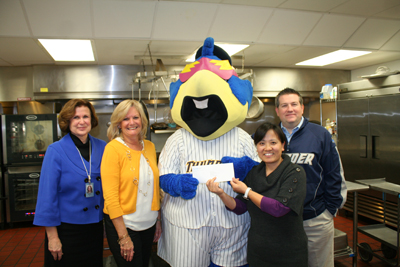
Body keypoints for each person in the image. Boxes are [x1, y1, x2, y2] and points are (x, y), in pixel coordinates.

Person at [206, 122, 308, 267]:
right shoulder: (255, 172)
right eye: (261, 143)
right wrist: (221, 194)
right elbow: (240, 207)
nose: (267, 148)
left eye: (273, 142)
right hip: (258, 252)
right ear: (257, 147)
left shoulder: (294, 172)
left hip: (288, 252)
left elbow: (279, 209)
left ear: (283, 145)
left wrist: (247, 191)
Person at [275, 88, 347, 267]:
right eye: (284, 105)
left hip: (315, 219)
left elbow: (334, 174)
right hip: (279, 221)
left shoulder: (320, 135)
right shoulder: (269, 136)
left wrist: (329, 210)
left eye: (294, 104)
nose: (289, 109)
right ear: (277, 111)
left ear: (302, 107)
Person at [34, 99, 107, 267]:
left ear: (92, 120)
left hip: (94, 228)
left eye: (85, 116)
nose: (81, 121)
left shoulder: (102, 147)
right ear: (67, 121)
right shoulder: (56, 151)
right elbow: (47, 198)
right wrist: (52, 238)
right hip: (66, 230)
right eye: (75, 117)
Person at [101, 99, 161, 267]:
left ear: (142, 120)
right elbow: (111, 197)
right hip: (125, 226)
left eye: (136, 117)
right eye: (126, 119)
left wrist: (157, 220)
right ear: (118, 123)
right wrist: (123, 236)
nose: (132, 122)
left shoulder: (149, 146)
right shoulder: (113, 149)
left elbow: (153, 189)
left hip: (148, 224)